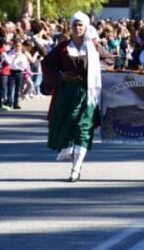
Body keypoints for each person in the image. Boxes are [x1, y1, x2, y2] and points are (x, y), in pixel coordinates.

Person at [42, 12, 113, 182]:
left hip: (88, 92)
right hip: (67, 93)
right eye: (75, 25)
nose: (78, 28)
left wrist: (96, 70)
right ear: (70, 27)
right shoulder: (64, 47)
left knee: (83, 128)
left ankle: (76, 168)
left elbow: (109, 61)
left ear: (86, 26)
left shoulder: (94, 47)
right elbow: (47, 63)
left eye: (81, 25)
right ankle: (68, 151)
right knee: (68, 125)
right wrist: (60, 75)